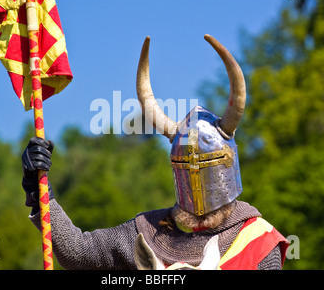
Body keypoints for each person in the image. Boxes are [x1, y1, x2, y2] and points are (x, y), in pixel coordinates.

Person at [22, 35, 289, 270]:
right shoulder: (148, 231)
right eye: (187, 166)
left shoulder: (258, 241)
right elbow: (77, 253)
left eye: (208, 163)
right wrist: (40, 192)